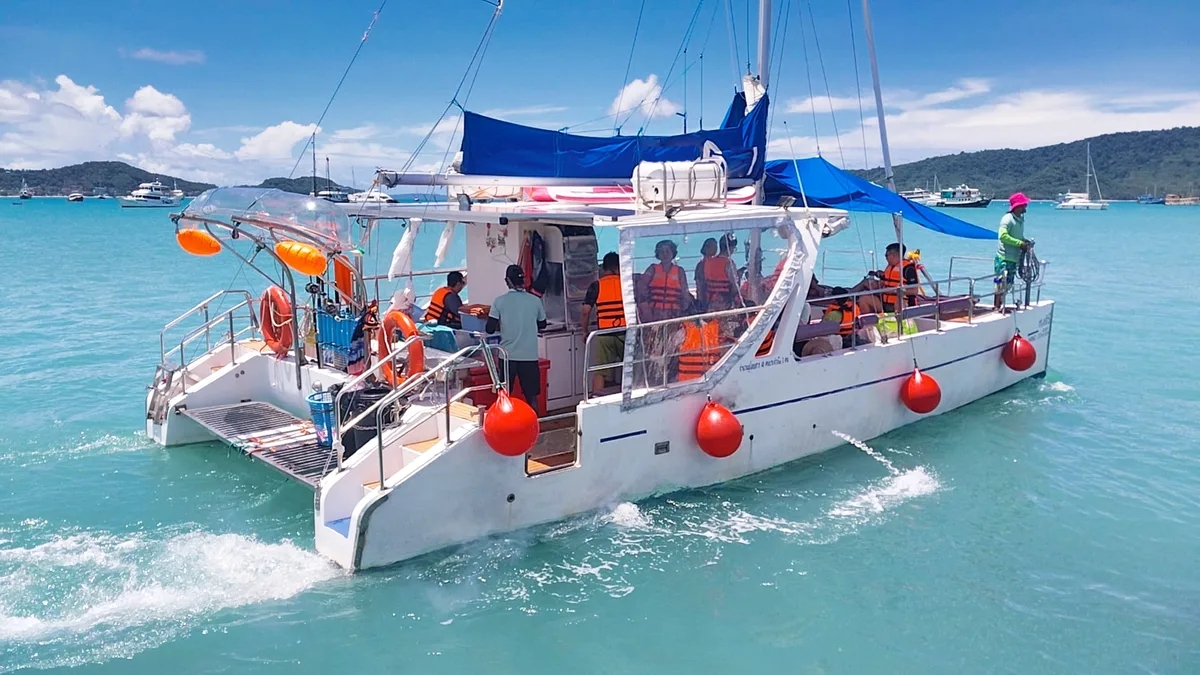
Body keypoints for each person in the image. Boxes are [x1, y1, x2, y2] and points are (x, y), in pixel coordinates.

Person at [486, 265, 547, 408]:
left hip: (507, 357)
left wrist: (504, 324)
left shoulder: (499, 301)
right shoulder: (535, 301)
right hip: (529, 356)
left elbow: (489, 329)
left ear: (507, 281)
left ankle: (504, 420)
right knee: (531, 396)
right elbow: (543, 324)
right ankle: (534, 420)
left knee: (504, 395)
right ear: (523, 280)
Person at [581, 252, 625, 394]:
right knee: (630, 367)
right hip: (625, 332)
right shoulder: (626, 285)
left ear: (604, 267)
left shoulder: (596, 285)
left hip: (604, 334)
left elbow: (585, 311)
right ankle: (629, 397)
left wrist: (584, 331)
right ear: (618, 267)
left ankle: (596, 397)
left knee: (600, 370)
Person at [995, 193, 1033, 310]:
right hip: (1004, 258)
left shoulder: (1020, 220)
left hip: (1014, 258)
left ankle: (1000, 306)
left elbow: (1017, 237)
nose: (1025, 207)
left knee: (1009, 283)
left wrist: (1024, 241)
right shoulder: (1008, 219)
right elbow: (1003, 236)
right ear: (1018, 206)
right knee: (1001, 283)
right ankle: (997, 307)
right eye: (1024, 205)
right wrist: (1019, 243)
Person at [637, 240, 690, 322]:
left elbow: (685, 293)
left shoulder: (680, 271)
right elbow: (641, 288)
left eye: (667, 251)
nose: (665, 254)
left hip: (674, 314)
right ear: (658, 254)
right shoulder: (652, 269)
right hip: (653, 313)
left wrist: (683, 311)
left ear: (673, 253)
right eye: (662, 252)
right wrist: (645, 308)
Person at [676, 301, 724, 382]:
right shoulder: (716, 328)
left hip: (687, 381)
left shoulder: (683, 329)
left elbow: (674, 345)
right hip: (712, 379)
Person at [873, 243, 921, 313]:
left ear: (894, 255)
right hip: (885, 303)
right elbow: (887, 282)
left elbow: (914, 291)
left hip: (902, 304)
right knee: (865, 299)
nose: (885, 258)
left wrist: (893, 290)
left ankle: (899, 318)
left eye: (886, 255)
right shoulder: (890, 266)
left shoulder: (908, 268)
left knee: (899, 300)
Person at [694, 238, 738, 310]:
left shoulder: (707, 263)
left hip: (710, 303)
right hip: (724, 304)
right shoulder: (729, 263)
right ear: (730, 249)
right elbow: (734, 286)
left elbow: (701, 286)